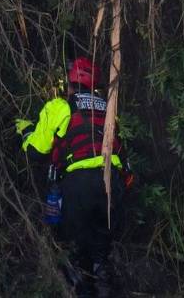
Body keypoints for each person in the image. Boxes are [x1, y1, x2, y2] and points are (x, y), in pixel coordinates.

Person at [15, 56, 126, 298]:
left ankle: (83, 289)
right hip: (113, 183)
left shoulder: (60, 107)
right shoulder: (109, 110)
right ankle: (103, 286)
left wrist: (25, 130)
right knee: (101, 252)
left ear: (70, 82)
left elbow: (36, 151)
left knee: (77, 251)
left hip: (79, 184)